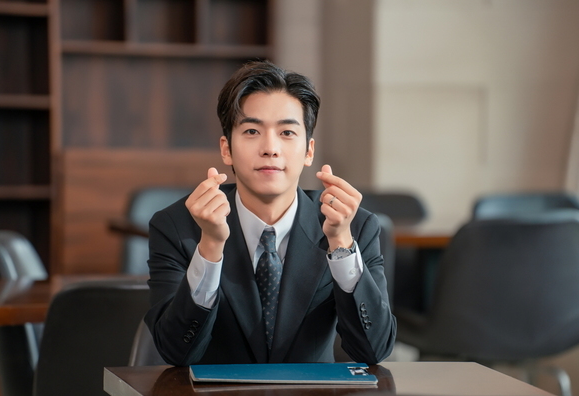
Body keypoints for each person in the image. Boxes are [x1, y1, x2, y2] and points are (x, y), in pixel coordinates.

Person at [144, 61, 396, 366]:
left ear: (308, 151)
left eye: (287, 132)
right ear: (226, 150)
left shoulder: (354, 224)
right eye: (252, 131)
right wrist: (210, 248)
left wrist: (341, 243)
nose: (270, 148)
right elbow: (175, 352)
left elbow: (374, 351)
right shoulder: (176, 225)